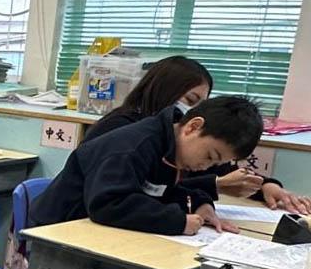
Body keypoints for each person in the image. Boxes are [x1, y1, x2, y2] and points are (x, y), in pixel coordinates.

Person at [84, 56, 311, 214]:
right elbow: (147, 188)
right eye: (191, 100)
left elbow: (221, 167)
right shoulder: (124, 131)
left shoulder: (180, 138)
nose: (194, 110)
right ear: (163, 89)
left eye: (202, 104)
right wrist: (214, 185)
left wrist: (265, 186)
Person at [30, 96, 265, 236]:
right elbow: (109, 204)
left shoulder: (170, 146)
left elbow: (156, 191)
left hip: (95, 233)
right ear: (193, 127)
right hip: (55, 235)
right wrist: (177, 221)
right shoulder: (135, 146)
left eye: (216, 163)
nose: (206, 167)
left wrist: (197, 203)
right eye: (210, 156)